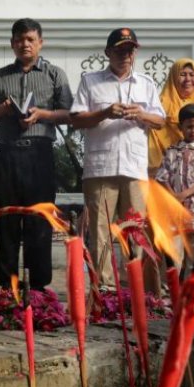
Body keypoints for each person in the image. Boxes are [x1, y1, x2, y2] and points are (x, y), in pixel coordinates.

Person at [0, 18, 73, 291]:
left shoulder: (55, 75)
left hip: (40, 154)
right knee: (5, 220)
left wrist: (43, 115)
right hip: (6, 154)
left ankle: (38, 290)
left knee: (39, 221)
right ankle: (8, 289)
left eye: (30, 39)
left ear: (40, 42)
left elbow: (70, 114)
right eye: (19, 40)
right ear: (12, 44)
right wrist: (3, 109)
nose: (24, 44)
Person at [71, 28, 165, 289]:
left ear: (135, 52)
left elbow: (160, 121)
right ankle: (105, 288)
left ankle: (140, 289)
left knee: (136, 230)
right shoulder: (91, 81)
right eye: (120, 49)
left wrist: (141, 114)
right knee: (100, 230)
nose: (125, 55)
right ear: (108, 52)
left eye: (130, 50)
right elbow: (76, 119)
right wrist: (105, 113)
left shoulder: (146, 83)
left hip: (134, 168)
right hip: (100, 167)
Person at [155, 104, 194, 272]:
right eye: (189, 126)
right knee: (175, 254)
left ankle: (193, 292)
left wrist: (184, 194)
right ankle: (175, 292)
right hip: (174, 212)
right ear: (180, 126)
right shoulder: (171, 152)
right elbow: (162, 176)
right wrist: (173, 196)